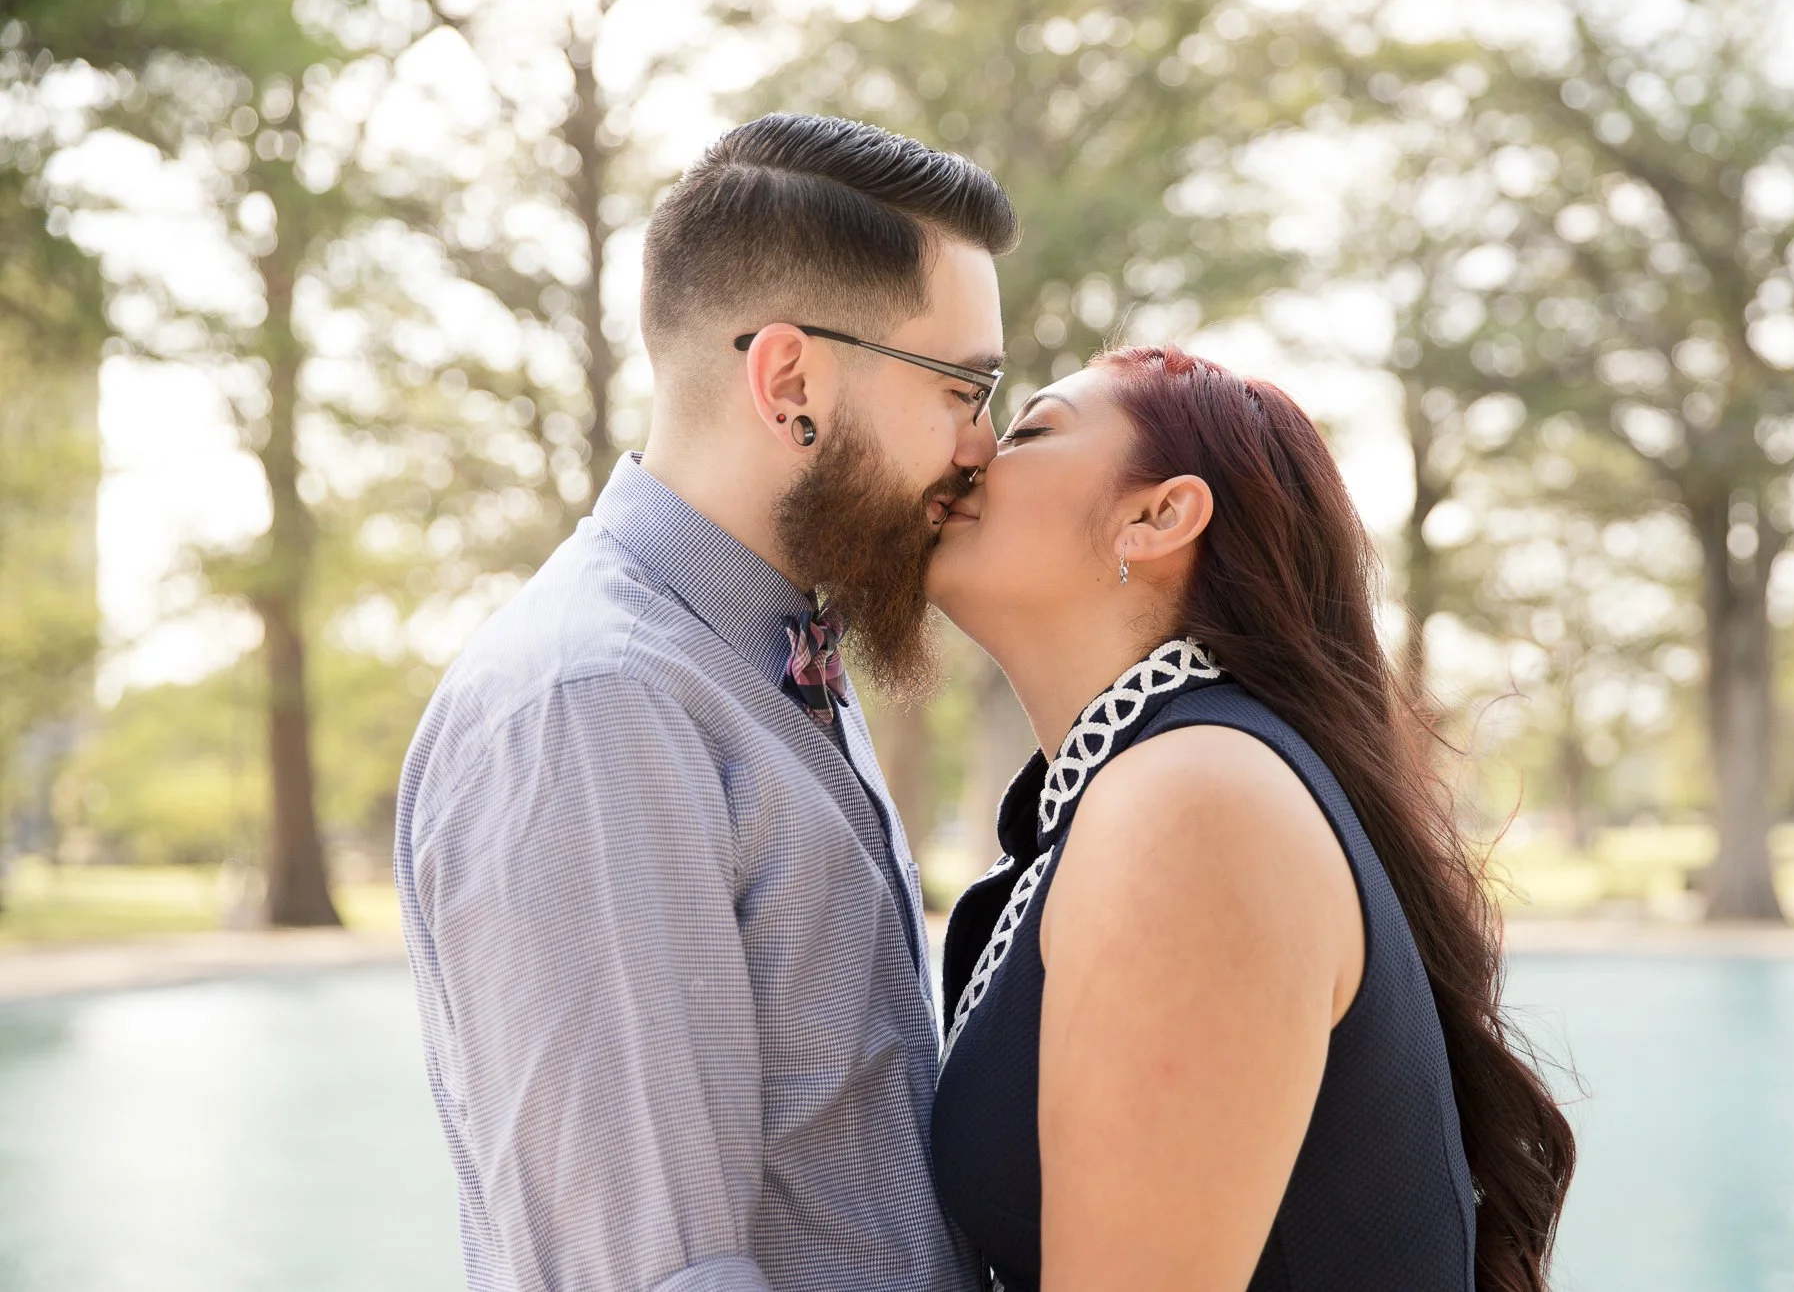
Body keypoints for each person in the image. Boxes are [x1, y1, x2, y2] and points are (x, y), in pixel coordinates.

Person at [393, 114, 1011, 1291]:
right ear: (790, 384)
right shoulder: (595, 709)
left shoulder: (767, 661)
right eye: (963, 388)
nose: (983, 447)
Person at [926, 345, 1577, 1292]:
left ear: (1158, 514)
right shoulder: (1160, 783)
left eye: (1030, 431)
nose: (974, 451)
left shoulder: (1196, 802)